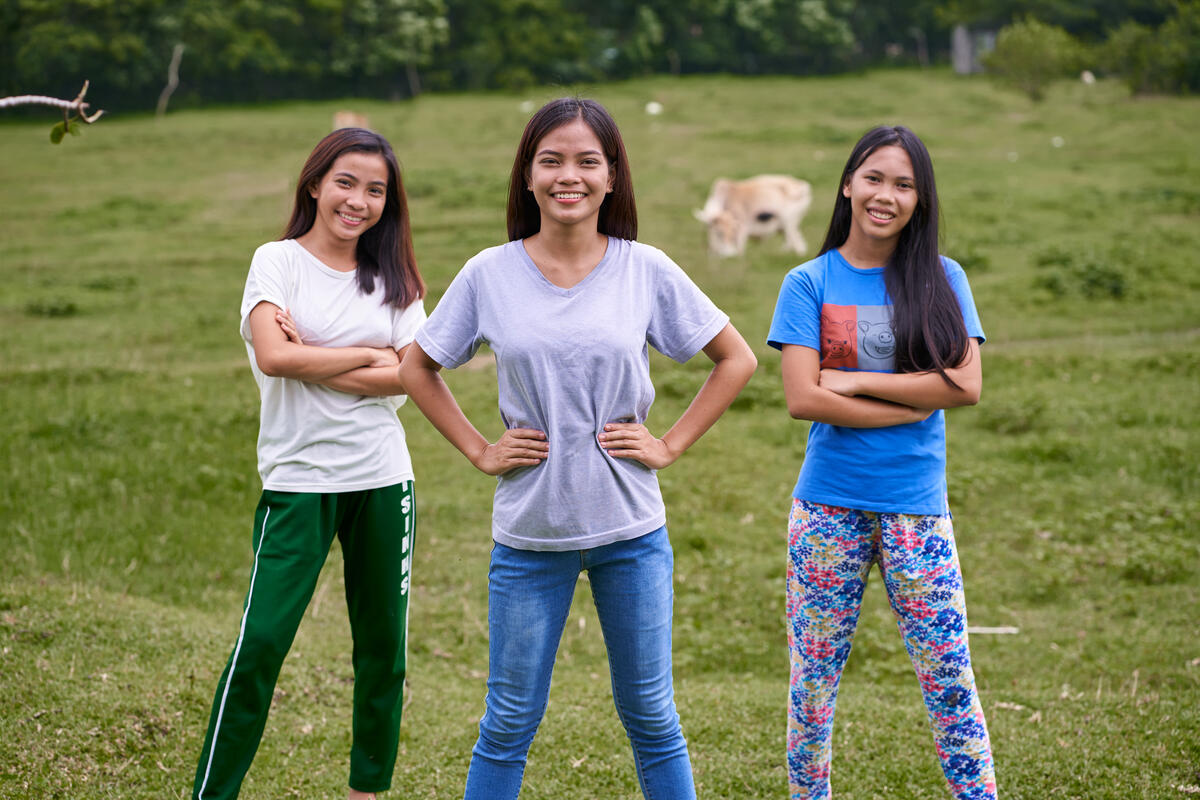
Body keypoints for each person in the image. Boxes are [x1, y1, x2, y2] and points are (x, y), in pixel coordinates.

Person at [399, 97, 757, 799]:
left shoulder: (644, 268)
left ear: (613, 176)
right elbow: (418, 365)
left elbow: (735, 357)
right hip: (530, 540)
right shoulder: (489, 273)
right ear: (528, 176)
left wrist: (669, 444)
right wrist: (479, 450)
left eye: (588, 161)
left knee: (653, 718)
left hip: (632, 533)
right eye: (552, 160)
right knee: (506, 723)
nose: (571, 175)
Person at [193, 127, 427, 800]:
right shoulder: (277, 262)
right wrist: (368, 355)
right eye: (346, 183)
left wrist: (317, 352)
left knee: (383, 653)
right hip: (298, 483)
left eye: (376, 190)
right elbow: (275, 358)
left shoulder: (398, 282)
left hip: (383, 480)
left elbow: (413, 376)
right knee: (259, 646)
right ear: (315, 184)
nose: (358, 201)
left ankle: (366, 791)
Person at [767, 125, 996, 800]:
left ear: (920, 199)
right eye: (874, 178)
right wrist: (916, 400)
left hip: (916, 512)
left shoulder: (942, 278)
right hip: (826, 509)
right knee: (812, 686)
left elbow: (969, 384)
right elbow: (803, 398)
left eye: (903, 184)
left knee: (950, 679)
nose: (885, 196)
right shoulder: (808, 281)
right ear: (847, 184)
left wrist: (857, 383)